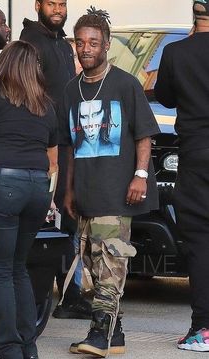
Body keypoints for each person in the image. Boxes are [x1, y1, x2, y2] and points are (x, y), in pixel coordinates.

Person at [61, 6, 160, 357]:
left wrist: (141, 175)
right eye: (80, 42)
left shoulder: (126, 84)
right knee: (89, 268)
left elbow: (144, 135)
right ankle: (115, 335)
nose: (85, 48)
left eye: (93, 42)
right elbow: (70, 147)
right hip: (86, 193)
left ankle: (99, 335)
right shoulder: (71, 90)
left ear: (106, 47)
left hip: (118, 193)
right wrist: (69, 189)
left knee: (109, 266)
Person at [0, 40, 58, 359]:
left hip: (2, 185)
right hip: (37, 189)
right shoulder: (45, 104)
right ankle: (28, 347)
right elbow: (53, 159)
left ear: (5, 64)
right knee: (18, 267)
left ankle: (7, 347)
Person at [20, 0, 91, 319]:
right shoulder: (31, 43)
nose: (58, 9)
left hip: (68, 141)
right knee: (52, 218)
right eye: (51, 3)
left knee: (69, 215)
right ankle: (56, 294)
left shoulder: (62, 44)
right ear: (38, 5)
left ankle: (71, 293)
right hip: (46, 146)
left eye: (62, 3)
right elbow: (28, 93)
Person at [154, 0, 209, 352]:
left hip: (196, 154)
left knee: (201, 243)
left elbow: (164, 97)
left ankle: (203, 329)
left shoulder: (176, 51)